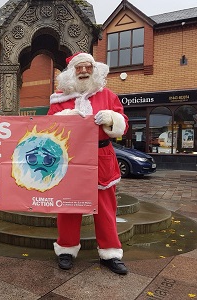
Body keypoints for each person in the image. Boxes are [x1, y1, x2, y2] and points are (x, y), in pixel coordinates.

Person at [47, 52, 129, 275]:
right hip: (70, 159)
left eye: (88, 67)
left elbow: (124, 124)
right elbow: (49, 127)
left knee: (105, 208)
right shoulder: (58, 98)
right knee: (68, 207)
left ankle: (110, 253)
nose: (84, 71)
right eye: (79, 68)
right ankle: (66, 250)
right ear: (72, 72)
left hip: (101, 158)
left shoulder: (108, 95)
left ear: (95, 70)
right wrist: (67, 119)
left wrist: (112, 119)